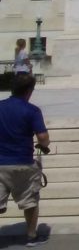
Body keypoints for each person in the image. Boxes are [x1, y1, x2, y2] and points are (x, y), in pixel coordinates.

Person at [0, 75, 51, 247]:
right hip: (23, 162)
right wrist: (44, 145)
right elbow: (43, 136)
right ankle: (31, 236)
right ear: (29, 91)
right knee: (30, 201)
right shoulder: (32, 110)